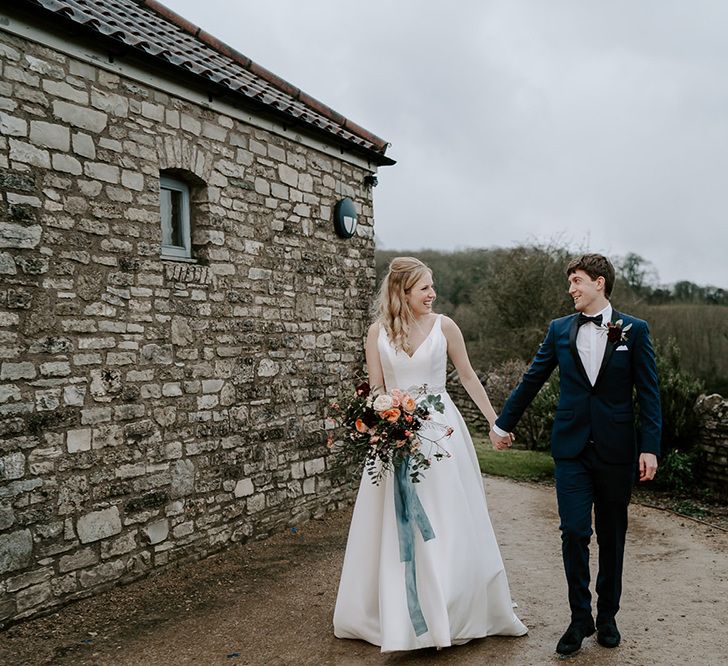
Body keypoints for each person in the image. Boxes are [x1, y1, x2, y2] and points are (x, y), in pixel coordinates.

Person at [333, 256, 527, 652]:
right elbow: (375, 388)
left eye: (432, 286)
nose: (432, 294)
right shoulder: (377, 333)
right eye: (424, 287)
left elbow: (468, 376)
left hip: (441, 432)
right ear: (403, 291)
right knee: (393, 518)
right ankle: (398, 613)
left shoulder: (445, 326)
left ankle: (454, 606)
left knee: (447, 513)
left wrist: (495, 421)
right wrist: (379, 424)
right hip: (395, 431)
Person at [490, 253, 661, 656]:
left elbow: (650, 394)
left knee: (613, 535)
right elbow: (534, 377)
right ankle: (579, 617)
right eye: (570, 282)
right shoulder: (559, 329)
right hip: (570, 450)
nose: (571, 289)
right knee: (574, 532)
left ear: (599, 283)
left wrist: (651, 446)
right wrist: (503, 422)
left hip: (617, 451)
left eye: (577, 281)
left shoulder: (634, 330)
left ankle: (608, 617)